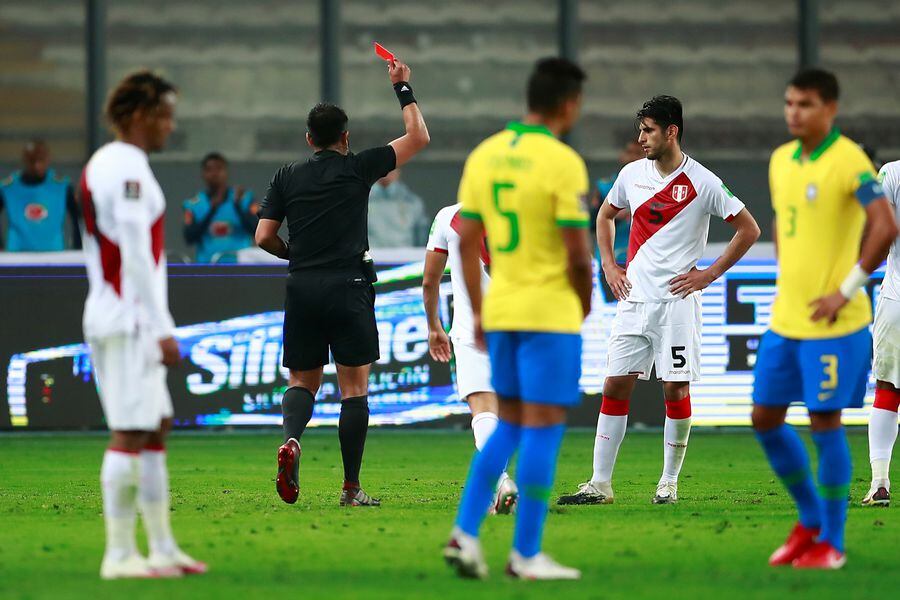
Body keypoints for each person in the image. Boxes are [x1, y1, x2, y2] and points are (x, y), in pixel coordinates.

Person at [558, 95, 760, 507]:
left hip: (677, 304)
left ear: (672, 131)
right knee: (614, 384)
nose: (641, 138)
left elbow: (749, 229)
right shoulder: (632, 174)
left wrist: (708, 274)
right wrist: (610, 268)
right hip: (634, 300)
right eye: (640, 130)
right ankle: (600, 484)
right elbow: (604, 216)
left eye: (648, 130)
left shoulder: (703, 182)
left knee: (674, 388)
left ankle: (668, 482)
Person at [443, 57, 593, 581]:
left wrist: (481, 312)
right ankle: (526, 553)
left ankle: (465, 533)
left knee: (507, 425)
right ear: (569, 104)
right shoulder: (562, 163)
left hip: (501, 312)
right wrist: (585, 300)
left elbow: (464, 241)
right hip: (548, 314)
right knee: (544, 429)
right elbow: (578, 254)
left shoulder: (485, 156)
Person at [255, 57, 429, 507]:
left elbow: (263, 237)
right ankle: (351, 488)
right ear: (345, 138)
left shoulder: (287, 176)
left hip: (303, 286)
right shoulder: (358, 167)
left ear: (309, 139)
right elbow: (419, 138)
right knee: (354, 389)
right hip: (349, 285)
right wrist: (402, 87)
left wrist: (295, 253)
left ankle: (292, 440)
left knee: (302, 381)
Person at [752, 69, 897, 569]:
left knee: (824, 424)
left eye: (806, 104)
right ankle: (810, 518)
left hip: (837, 324)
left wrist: (845, 290)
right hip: (785, 320)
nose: (795, 112)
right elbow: (782, 219)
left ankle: (831, 543)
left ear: (830, 109)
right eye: (790, 102)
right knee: (764, 418)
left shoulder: (849, 161)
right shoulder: (779, 161)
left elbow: (885, 225)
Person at [80, 70, 206, 579]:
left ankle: (161, 548)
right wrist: (160, 326)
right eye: (164, 116)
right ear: (137, 116)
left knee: (155, 426)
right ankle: (118, 555)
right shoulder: (122, 167)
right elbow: (133, 253)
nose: (169, 127)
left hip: (126, 317)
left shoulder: (117, 164)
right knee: (130, 432)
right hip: (127, 319)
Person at [423, 203, 518, 515]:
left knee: (483, 410)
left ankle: (501, 480)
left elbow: (429, 281)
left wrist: (434, 327)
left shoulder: (449, 216)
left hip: (472, 330)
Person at [862, 159, 900, 507]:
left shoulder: (892, 172)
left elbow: (875, 225)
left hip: (897, 301)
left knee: (888, 389)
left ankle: (879, 482)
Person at [0, 140, 81, 251]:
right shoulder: (8, 188)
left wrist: (78, 247)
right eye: (32, 161)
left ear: (48, 159)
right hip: (17, 258)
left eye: (40, 160)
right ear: (24, 160)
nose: (36, 166)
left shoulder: (62, 187)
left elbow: (79, 217)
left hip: (55, 258)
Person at [182, 152, 258, 263]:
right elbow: (189, 237)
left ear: (226, 172)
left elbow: (257, 230)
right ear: (203, 174)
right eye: (209, 169)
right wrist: (211, 211)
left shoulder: (245, 199)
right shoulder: (193, 205)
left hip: (240, 268)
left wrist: (238, 207)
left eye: (219, 169)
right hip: (207, 268)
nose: (214, 173)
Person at [591, 139, 644, 264]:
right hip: (612, 260)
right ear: (622, 156)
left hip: (643, 261)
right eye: (630, 152)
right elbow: (592, 224)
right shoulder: (605, 187)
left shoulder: (660, 188)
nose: (633, 158)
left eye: (638, 153)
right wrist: (615, 216)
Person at [368, 168, 429, 247]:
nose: (385, 172)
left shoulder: (412, 202)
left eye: (391, 166)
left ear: (398, 171)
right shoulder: (359, 201)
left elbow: (421, 234)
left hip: (406, 256)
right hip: (370, 255)